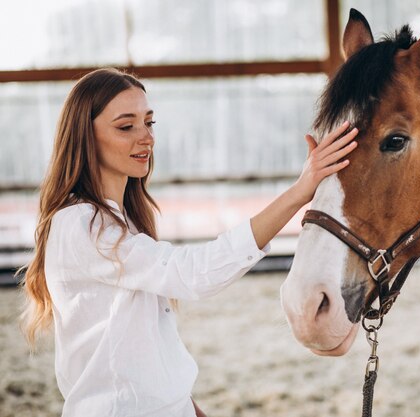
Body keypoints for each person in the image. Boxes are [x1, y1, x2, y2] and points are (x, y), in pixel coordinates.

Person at [19, 68, 358, 417]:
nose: (145, 137)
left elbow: (142, 344)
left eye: (149, 123)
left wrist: (187, 407)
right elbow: (193, 274)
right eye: (126, 126)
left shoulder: (125, 221)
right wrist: (298, 193)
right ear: (84, 137)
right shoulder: (79, 225)